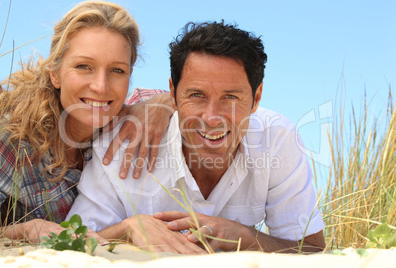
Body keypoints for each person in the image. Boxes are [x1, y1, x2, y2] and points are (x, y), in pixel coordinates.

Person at [68, 21, 326, 254]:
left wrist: (245, 236)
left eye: (231, 97)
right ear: (173, 93)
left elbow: (312, 250)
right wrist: (127, 229)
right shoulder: (121, 144)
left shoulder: (278, 139)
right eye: (196, 95)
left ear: (256, 98)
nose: (212, 118)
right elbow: (69, 248)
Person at [0, 1, 171, 243]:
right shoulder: (15, 136)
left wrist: (164, 104)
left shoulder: (135, 111)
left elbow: (196, 97)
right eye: (83, 66)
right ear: (54, 73)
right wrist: (24, 230)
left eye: (117, 70)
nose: (101, 86)